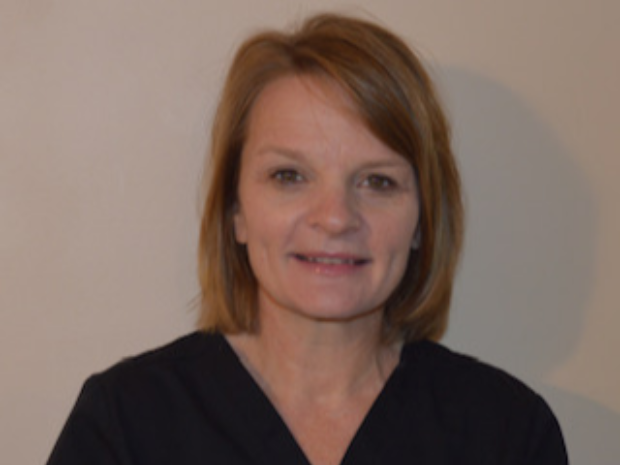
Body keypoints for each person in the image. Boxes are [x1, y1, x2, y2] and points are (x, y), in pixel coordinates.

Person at [46, 13, 568, 465]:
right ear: (235, 212)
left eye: (377, 182)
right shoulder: (126, 423)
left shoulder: (507, 433)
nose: (335, 218)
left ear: (423, 220)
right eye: (289, 176)